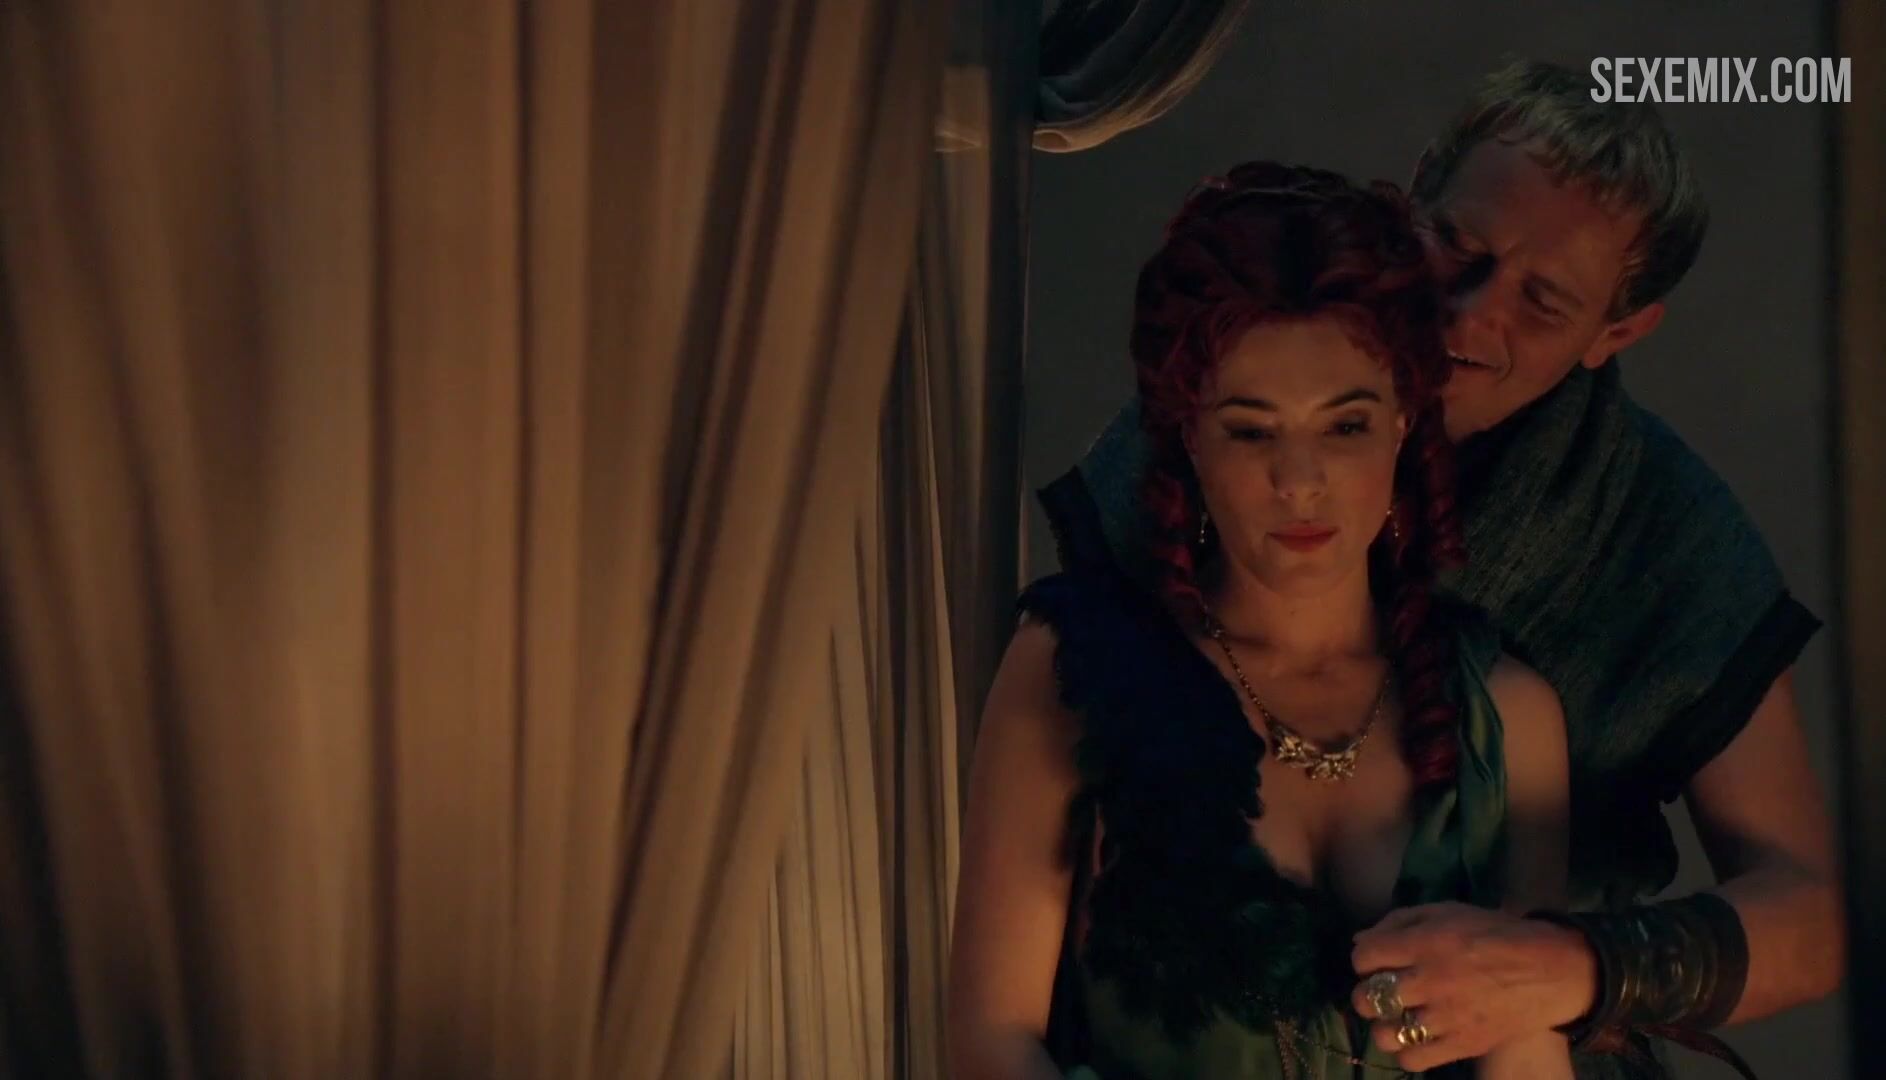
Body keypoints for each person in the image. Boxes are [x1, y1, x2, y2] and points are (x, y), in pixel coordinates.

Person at [1032, 61, 1842, 1078]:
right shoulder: (1245, 360)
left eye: (1543, 301)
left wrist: (1567, 967)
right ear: (1414, 189)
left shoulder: (1657, 539)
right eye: (1457, 246)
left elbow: (1810, 919)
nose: (1470, 314)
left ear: (1618, 330)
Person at [948, 161, 1574, 1079]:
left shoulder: (1508, 718)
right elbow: (987, 1046)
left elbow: (1527, 1057)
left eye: (1344, 426)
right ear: (1188, 435)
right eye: (1251, 429)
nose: (1300, 482)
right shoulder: (1072, 666)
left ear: (1403, 423)